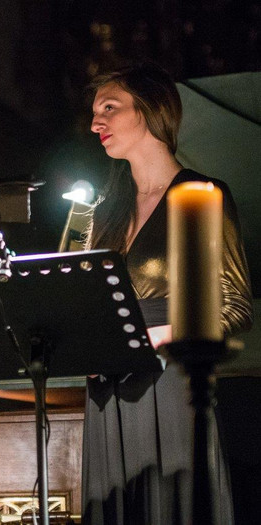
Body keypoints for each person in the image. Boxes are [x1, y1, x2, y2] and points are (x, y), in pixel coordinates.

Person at [82, 61, 253, 525]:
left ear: (151, 110)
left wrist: (158, 338)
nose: (95, 122)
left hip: (171, 383)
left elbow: (235, 304)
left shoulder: (201, 194)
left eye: (109, 108)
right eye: (95, 112)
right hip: (106, 392)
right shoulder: (103, 214)